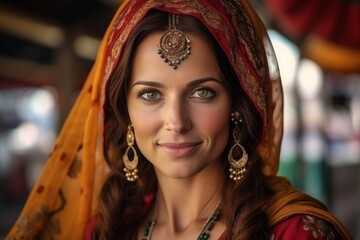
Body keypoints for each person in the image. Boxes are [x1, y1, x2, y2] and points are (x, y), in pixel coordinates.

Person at [6, 0, 352, 239]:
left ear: (238, 105)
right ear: (124, 110)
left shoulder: (295, 233)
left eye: (202, 92)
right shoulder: (108, 228)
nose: (176, 121)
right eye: (150, 94)